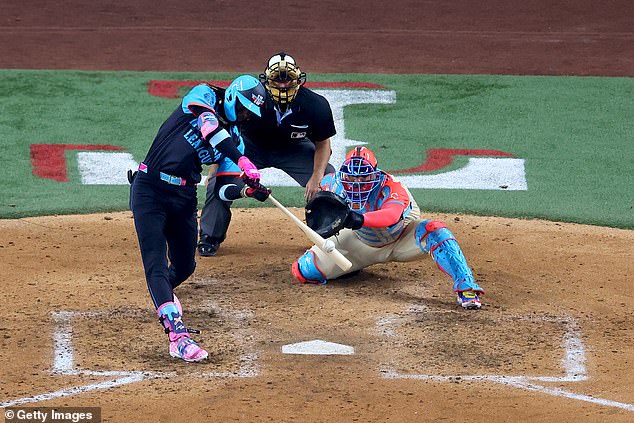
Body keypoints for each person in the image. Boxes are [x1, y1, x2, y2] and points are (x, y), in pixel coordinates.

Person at [129, 75, 271, 362]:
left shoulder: (236, 142)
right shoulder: (204, 95)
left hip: (183, 197)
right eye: (242, 109)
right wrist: (242, 160)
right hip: (150, 190)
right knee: (155, 263)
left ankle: (164, 298)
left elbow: (224, 191)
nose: (244, 116)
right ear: (231, 97)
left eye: (248, 114)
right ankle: (177, 336)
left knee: (185, 265)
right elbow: (210, 127)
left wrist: (248, 190)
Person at [292, 146, 485, 310]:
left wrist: (357, 219)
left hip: (401, 239)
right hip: (359, 242)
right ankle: (351, 268)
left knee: (436, 230)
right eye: (352, 179)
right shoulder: (333, 183)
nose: (357, 183)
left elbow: (391, 215)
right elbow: (317, 204)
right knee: (304, 270)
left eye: (363, 178)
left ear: (375, 174)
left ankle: (466, 287)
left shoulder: (391, 187)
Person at [198, 52, 336, 257]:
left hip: (293, 149)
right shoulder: (252, 99)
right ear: (267, 81)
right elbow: (228, 132)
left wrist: (316, 177)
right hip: (250, 148)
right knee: (218, 181)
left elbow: (323, 143)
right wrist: (216, 167)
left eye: (287, 79)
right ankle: (210, 236)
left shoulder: (316, 105)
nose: (282, 85)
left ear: (298, 79)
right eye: (277, 80)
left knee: (328, 179)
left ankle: (325, 235)